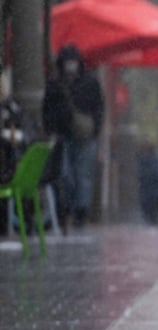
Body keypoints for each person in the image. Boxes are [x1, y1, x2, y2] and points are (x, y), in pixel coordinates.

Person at [42, 44, 104, 229]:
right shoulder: (55, 83)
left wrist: (95, 130)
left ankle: (80, 212)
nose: (70, 66)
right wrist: (51, 128)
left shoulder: (89, 82)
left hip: (85, 136)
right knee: (65, 174)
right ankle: (67, 208)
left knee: (82, 175)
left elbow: (99, 108)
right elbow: (47, 109)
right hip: (63, 136)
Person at [136, 141, 158, 225]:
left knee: (149, 216)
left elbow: (141, 177)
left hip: (148, 194)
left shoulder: (143, 162)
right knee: (154, 216)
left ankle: (151, 226)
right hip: (156, 194)